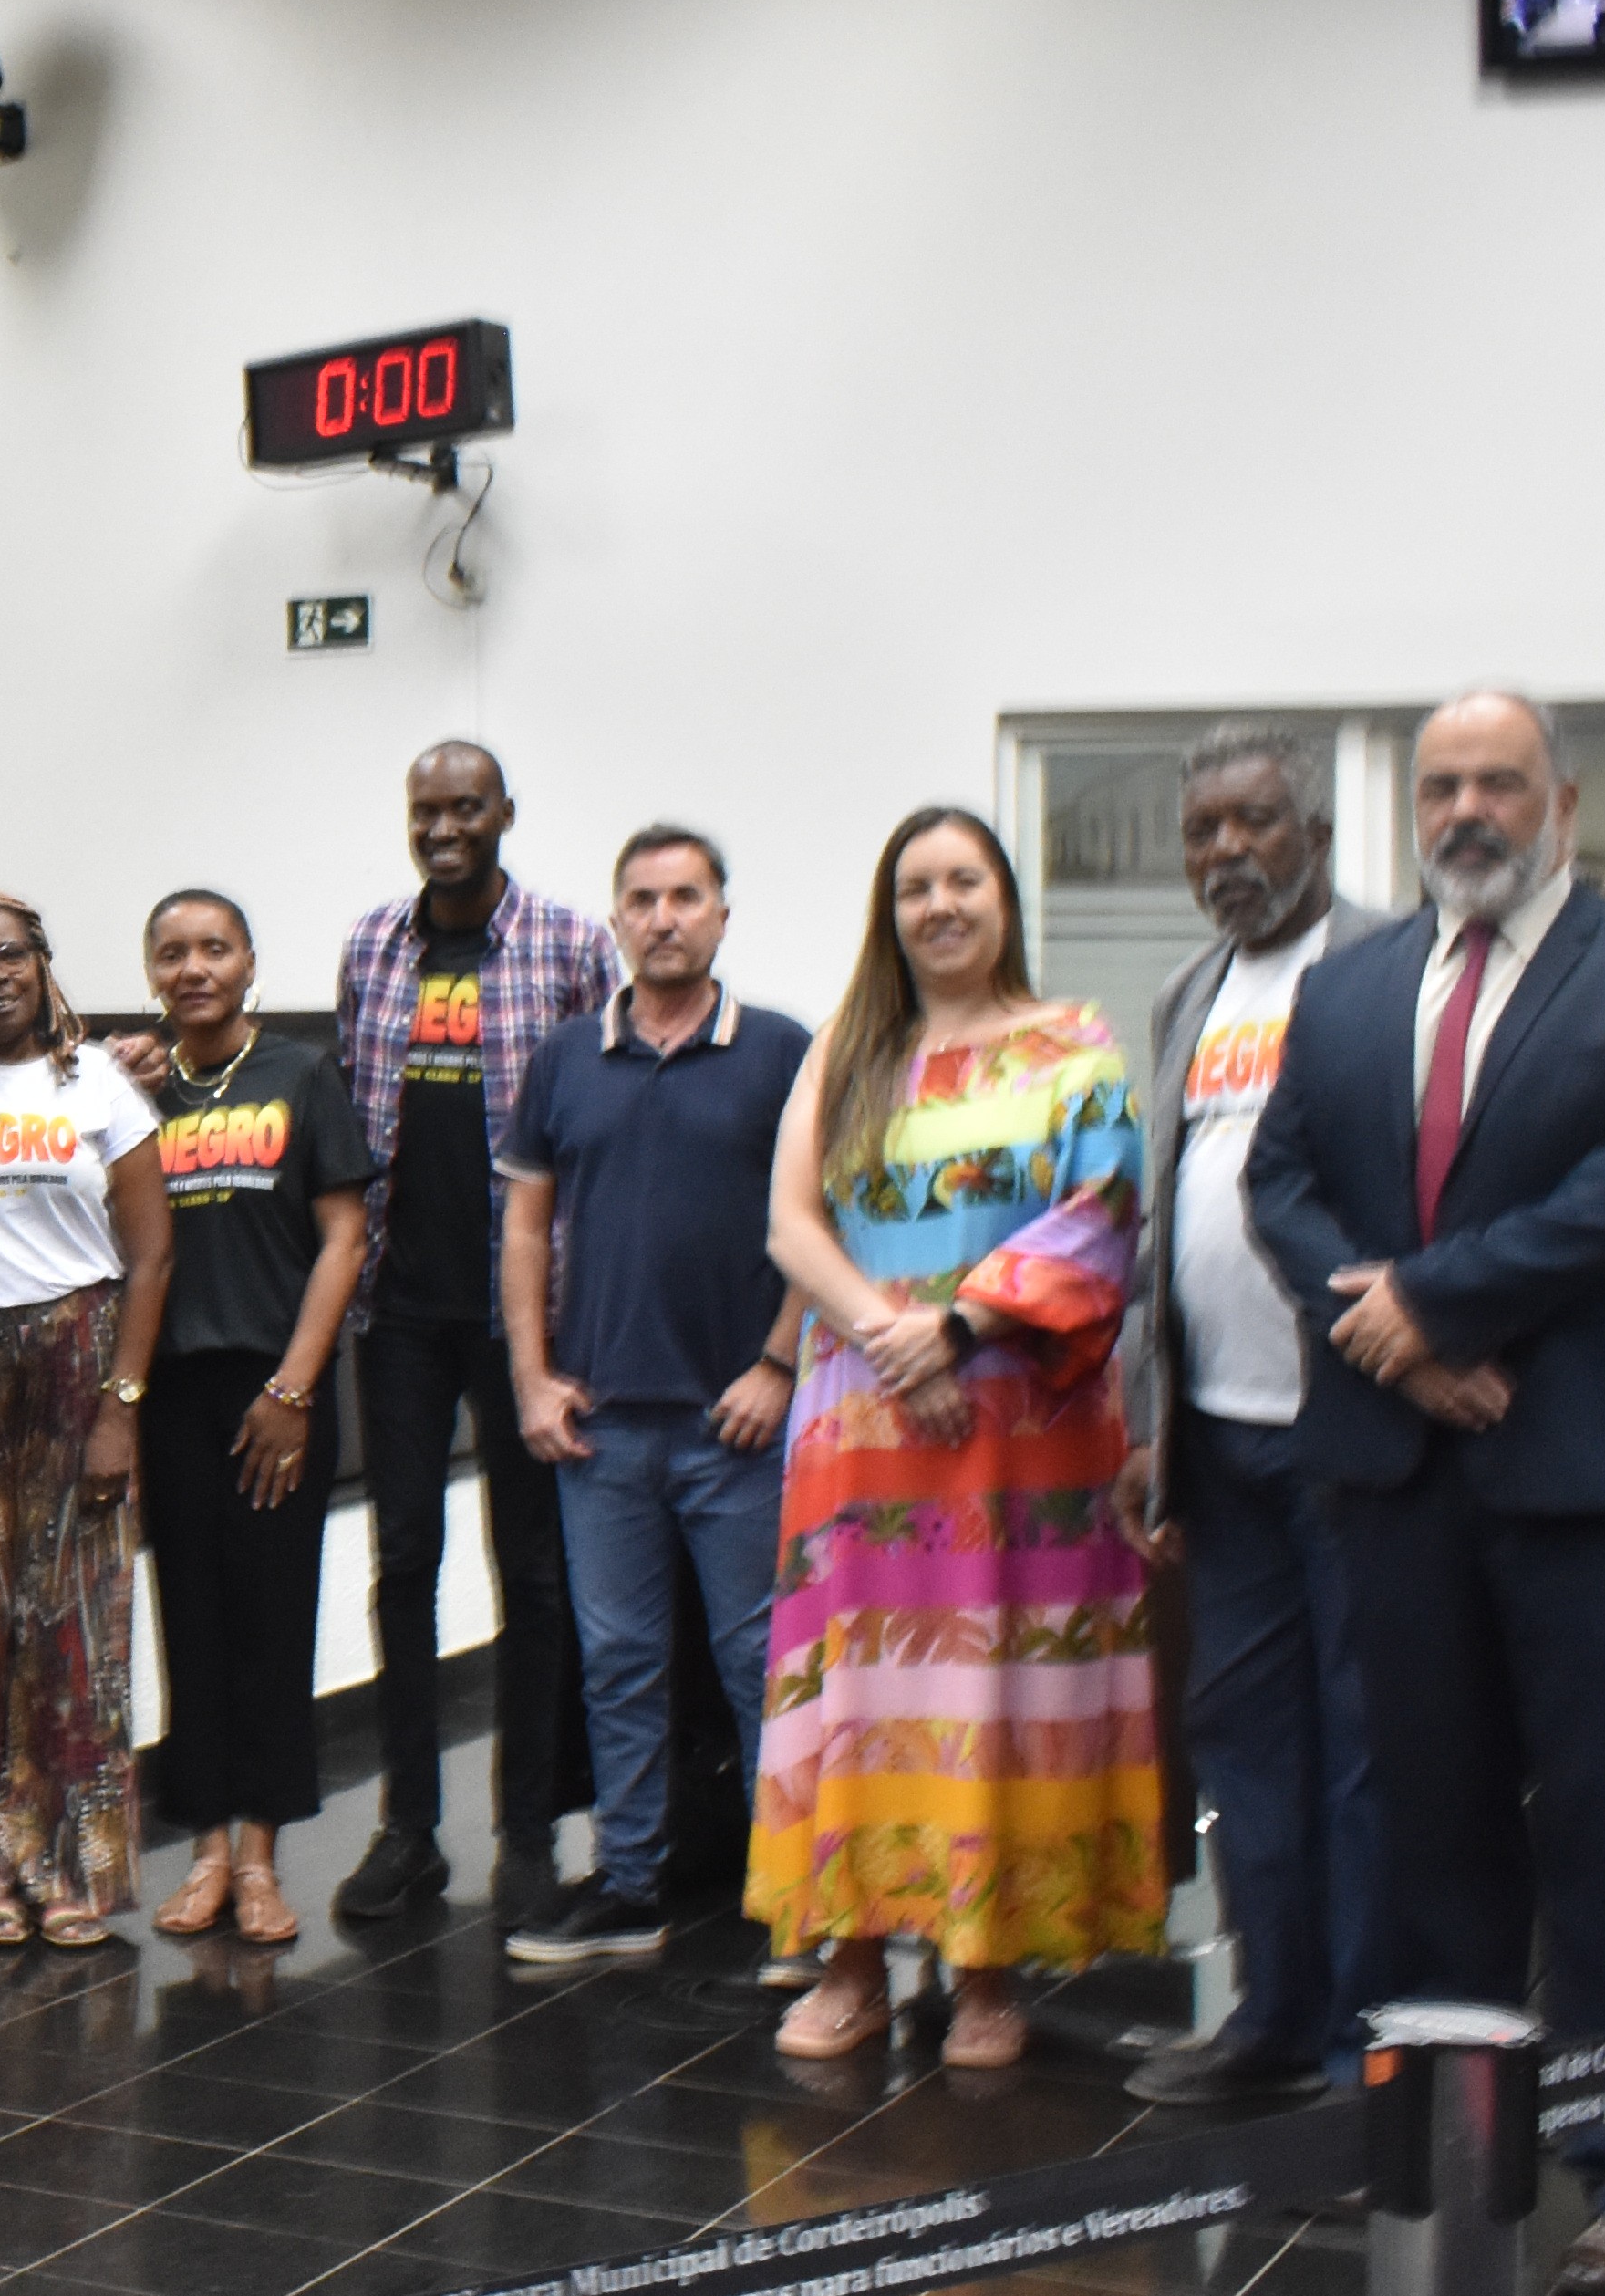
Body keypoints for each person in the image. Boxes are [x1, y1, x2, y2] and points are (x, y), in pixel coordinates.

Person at [1244, 690, 1605, 2296]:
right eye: (1442, 785)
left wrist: (1435, 1305)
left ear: (1564, 802)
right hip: (1398, 1470)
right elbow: (1278, 1182)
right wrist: (1388, 1342)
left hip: (1583, 1467)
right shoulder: (1349, 985)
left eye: (1500, 783)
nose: (1467, 810)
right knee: (1430, 1827)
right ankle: (1447, 2147)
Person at [751, 806, 1165, 2071]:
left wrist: (961, 1328)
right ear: (890, 913)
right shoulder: (847, 1048)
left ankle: (989, 1971)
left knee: (998, 1686)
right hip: (864, 1417)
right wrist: (895, 1338)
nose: (940, 905)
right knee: (865, 1686)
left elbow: (1105, 1216)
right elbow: (791, 1223)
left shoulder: (1072, 1044)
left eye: (964, 881)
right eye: (916, 886)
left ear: (1004, 899)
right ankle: (853, 1963)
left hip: (1022, 1425)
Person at [1121, 727, 1382, 2106]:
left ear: (1317, 834)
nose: (1226, 851)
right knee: (1243, 1741)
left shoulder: (1394, 965)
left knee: (1362, 1750)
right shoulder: (1189, 992)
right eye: (1202, 831)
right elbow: (1159, 1219)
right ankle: (1271, 2019)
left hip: (1359, 1435)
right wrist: (1147, 1418)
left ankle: (1359, 2049)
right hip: (1217, 1434)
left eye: (1255, 823)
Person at [497, 828, 811, 1973]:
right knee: (619, 1663)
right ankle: (630, 1886)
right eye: (643, 898)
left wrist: (779, 1363)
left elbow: (822, 1219)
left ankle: (801, 1908)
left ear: (722, 913)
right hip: (602, 1429)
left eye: (686, 896)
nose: (665, 916)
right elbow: (525, 1225)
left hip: (739, 1425)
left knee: (764, 1666)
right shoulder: (565, 1057)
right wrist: (531, 1376)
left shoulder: (781, 1050)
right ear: (617, 919)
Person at [326, 742, 612, 1925]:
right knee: (403, 1566)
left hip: (526, 1316)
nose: (443, 828)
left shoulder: (570, 943)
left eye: (465, 807)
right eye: (425, 810)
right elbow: (350, 1106)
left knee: (533, 1572)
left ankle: (527, 1829)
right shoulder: (372, 946)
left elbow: (602, 1116)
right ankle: (408, 1830)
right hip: (399, 1309)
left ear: (504, 813)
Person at [0, 889, 171, 1945]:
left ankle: (72, 1869)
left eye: (10, 953)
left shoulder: (99, 1081)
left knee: (75, 1616)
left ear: (42, 961)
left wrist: (121, 1407)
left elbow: (152, 1256)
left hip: (76, 1354)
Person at [126, 892, 368, 1948]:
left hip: (278, 1390)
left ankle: (262, 1856)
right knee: (190, 1621)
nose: (193, 968)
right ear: (151, 972)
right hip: (171, 1391)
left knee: (273, 1619)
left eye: (213, 948)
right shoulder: (135, 1091)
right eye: (172, 952)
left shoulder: (301, 1075)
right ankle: (208, 1849)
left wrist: (294, 1389)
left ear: (249, 963)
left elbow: (345, 1238)